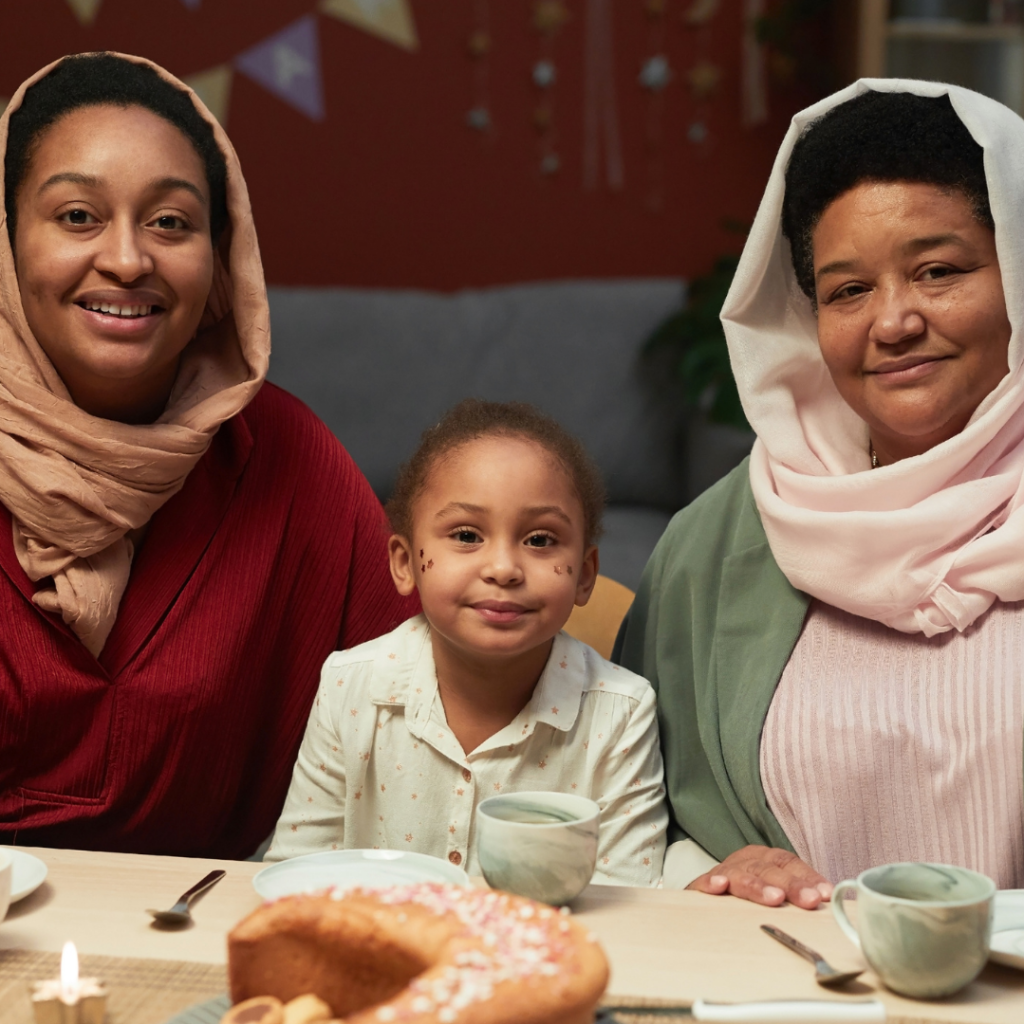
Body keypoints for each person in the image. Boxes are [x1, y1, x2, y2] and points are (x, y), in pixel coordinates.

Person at [616, 80, 1024, 907]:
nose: (894, 321)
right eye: (848, 291)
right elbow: (616, 804)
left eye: (938, 271)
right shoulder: (720, 543)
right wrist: (704, 869)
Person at [0, 53, 416, 858]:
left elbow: (420, 704)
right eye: (78, 216)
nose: (127, 259)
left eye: (170, 222)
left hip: (206, 944)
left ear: (222, 257)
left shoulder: (285, 459)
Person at [267, 399, 667, 884]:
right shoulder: (348, 686)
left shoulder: (622, 715)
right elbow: (297, 875)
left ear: (584, 576)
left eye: (540, 540)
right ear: (405, 563)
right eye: (465, 534)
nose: (502, 568)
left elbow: (631, 905)